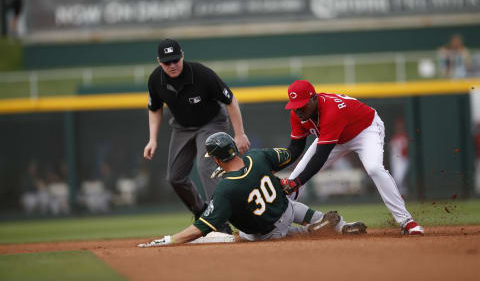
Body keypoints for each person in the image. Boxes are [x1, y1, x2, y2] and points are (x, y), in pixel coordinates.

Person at [138, 132, 366, 247]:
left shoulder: (225, 189)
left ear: (217, 160)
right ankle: (337, 225)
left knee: (246, 236)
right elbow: (290, 154)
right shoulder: (258, 156)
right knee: (292, 206)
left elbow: (200, 228)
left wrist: (169, 240)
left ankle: (313, 231)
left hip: (267, 233)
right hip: (286, 210)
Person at [279, 80, 424, 236]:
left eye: (302, 105)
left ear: (314, 98)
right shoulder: (297, 114)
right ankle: (278, 222)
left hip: (365, 130)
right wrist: (274, 166)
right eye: (295, 106)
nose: (298, 110)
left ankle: (406, 221)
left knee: (374, 168)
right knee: (294, 177)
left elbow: (320, 157)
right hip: (335, 136)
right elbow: (295, 148)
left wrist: (298, 182)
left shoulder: (331, 111)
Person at [144, 39, 250, 233]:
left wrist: (239, 133)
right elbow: (154, 108)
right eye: (167, 62)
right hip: (182, 128)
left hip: (211, 123)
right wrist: (152, 139)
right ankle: (202, 213)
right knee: (175, 177)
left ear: (182, 55)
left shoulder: (202, 74)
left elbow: (230, 100)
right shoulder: (155, 80)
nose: (172, 65)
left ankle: (220, 221)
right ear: (159, 61)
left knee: (205, 166)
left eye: (176, 59)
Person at [388, 118, 410, 196]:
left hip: (402, 160)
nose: (399, 128)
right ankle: (402, 194)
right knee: (397, 179)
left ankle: (403, 194)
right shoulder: (394, 138)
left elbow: (405, 151)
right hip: (394, 161)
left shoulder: (404, 137)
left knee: (399, 179)